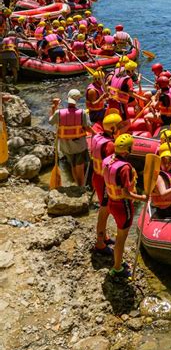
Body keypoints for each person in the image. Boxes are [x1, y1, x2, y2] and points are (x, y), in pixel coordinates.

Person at [102, 133, 146, 279]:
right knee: (122, 237)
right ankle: (117, 268)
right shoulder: (125, 168)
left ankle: (117, 260)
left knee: (120, 233)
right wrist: (142, 197)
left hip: (111, 202)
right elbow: (126, 193)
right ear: (127, 149)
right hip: (123, 206)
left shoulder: (108, 160)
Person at [90, 113, 122, 254]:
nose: (121, 128)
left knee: (105, 209)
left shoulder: (98, 136)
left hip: (97, 177)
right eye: (119, 126)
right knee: (104, 211)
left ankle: (104, 235)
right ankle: (100, 243)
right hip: (103, 181)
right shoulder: (110, 145)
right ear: (113, 128)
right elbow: (112, 167)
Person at [49, 89, 91, 186]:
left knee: (72, 166)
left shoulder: (58, 113)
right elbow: (88, 128)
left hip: (66, 147)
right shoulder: (82, 113)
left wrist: (54, 107)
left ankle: (77, 185)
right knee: (80, 169)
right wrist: (96, 134)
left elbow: (51, 121)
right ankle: (81, 188)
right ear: (78, 100)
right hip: (80, 146)